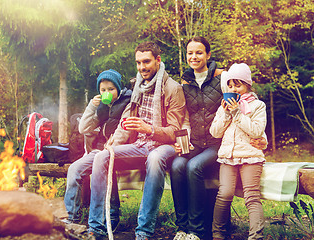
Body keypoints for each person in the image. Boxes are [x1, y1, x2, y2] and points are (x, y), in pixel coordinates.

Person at [87, 41, 186, 240]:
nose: (142, 67)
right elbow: (126, 123)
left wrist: (148, 129)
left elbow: (175, 131)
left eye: (146, 62)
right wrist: (114, 142)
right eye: (138, 63)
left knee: (155, 158)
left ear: (158, 60)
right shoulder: (137, 87)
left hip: (164, 146)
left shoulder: (173, 89)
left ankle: (144, 232)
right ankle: (96, 228)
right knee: (102, 157)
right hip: (139, 145)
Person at [170, 37, 267, 240]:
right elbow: (185, 117)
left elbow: (254, 118)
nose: (194, 56)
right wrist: (182, 141)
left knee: (194, 167)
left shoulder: (222, 79)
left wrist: (262, 139)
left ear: (208, 54)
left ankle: (196, 230)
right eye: (190, 52)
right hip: (198, 143)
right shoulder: (184, 83)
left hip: (218, 146)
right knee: (178, 164)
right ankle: (183, 227)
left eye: (198, 52)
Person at [64, 69, 132, 230]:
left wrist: (109, 148)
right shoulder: (101, 106)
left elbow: (124, 130)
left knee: (103, 167)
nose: (107, 92)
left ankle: (107, 218)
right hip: (100, 150)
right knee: (74, 169)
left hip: (121, 150)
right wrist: (91, 106)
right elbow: (83, 128)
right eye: (103, 90)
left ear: (118, 88)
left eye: (111, 89)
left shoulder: (128, 101)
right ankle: (72, 217)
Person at [210, 63, 266, 240]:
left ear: (247, 85)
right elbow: (215, 132)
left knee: (251, 197)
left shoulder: (257, 106)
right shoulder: (223, 107)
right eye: (230, 85)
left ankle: (256, 236)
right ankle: (217, 234)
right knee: (224, 193)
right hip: (228, 157)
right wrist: (227, 114)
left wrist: (237, 114)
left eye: (238, 85)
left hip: (250, 157)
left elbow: (257, 131)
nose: (234, 89)